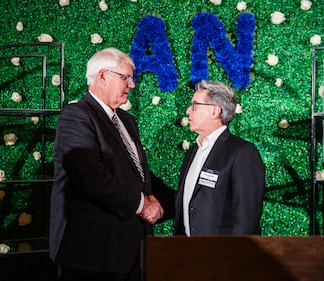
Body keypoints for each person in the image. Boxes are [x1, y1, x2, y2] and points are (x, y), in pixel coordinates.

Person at [49, 47, 172, 281]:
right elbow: (90, 176)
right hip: (92, 255)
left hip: (132, 251)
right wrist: (141, 205)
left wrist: (181, 201)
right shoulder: (76, 116)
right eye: (126, 77)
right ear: (103, 76)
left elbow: (138, 174)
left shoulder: (126, 120)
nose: (132, 84)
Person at [174, 80, 265, 236]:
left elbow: (246, 219)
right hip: (188, 253)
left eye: (195, 105)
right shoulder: (193, 151)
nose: (188, 111)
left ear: (215, 111)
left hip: (222, 255)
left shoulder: (242, 152)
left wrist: (229, 257)